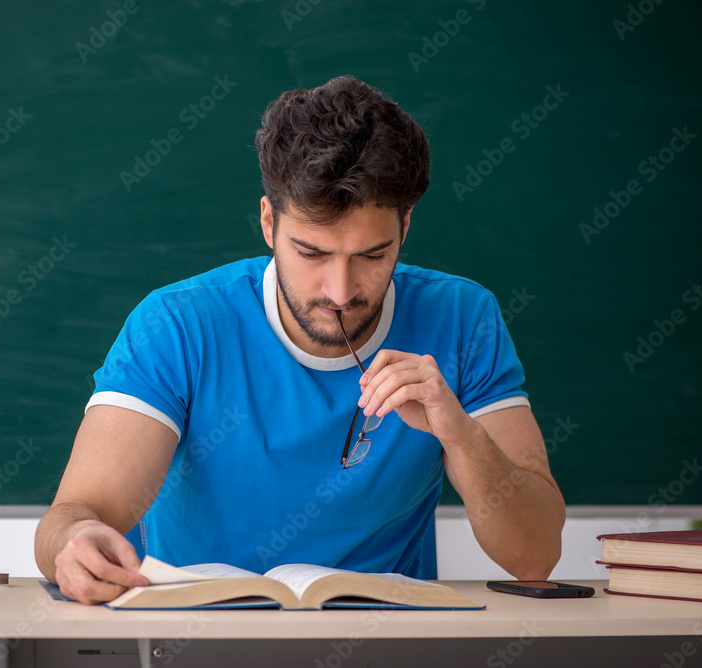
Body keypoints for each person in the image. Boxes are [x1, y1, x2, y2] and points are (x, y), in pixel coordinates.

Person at [35, 75, 565, 605]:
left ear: (405, 226)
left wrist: (461, 434)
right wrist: (76, 543)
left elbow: (535, 555)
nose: (339, 291)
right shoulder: (177, 325)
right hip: (193, 639)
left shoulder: (463, 319)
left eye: (372, 256)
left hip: (391, 644)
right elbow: (68, 519)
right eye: (311, 253)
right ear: (269, 222)